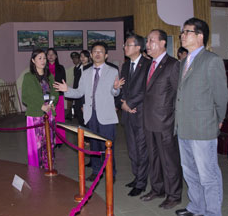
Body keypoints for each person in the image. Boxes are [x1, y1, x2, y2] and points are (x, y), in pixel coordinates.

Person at [174, 17, 228, 216]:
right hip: (184, 126)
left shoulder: (211, 60)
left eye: (187, 32)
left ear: (200, 36)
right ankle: (196, 206)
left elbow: (221, 95)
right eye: (182, 32)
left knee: (208, 174)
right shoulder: (184, 62)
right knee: (189, 171)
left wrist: (219, 120)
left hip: (203, 127)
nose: (182, 35)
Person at [54, 42, 124, 181]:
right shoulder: (85, 73)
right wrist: (67, 90)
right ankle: (96, 170)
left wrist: (116, 88)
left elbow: (115, 92)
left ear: (106, 55)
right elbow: (80, 92)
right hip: (90, 115)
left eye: (101, 52)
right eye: (95, 52)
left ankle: (111, 172)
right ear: (91, 55)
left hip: (106, 115)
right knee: (94, 145)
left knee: (108, 145)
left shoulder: (113, 71)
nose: (97, 54)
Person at [141, 29, 182, 209]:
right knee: (154, 158)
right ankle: (157, 189)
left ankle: (174, 195)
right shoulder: (150, 64)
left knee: (169, 160)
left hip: (165, 121)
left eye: (151, 41)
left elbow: (178, 95)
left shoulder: (173, 65)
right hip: (149, 120)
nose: (147, 45)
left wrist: (174, 120)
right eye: (147, 41)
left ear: (163, 43)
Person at [120, 33, 151, 197]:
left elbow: (146, 90)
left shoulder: (148, 65)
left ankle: (141, 183)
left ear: (138, 47)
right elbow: (122, 88)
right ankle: (136, 176)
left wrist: (130, 104)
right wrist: (123, 103)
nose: (125, 47)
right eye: (125, 45)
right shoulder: (125, 66)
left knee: (141, 149)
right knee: (132, 149)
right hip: (128, 113)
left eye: (128, 45)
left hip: (141, 113)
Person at [22, 49, 59, 169]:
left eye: (44, 58)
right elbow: (25, 97)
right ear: (33, 60)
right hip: (35, 114)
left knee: (49, 142)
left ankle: (49, 166)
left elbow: (55, 92)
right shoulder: (28, 77)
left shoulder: (49, 76)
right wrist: (40, 105)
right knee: (38, 144)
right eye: (39, 58)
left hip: (49, 113)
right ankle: (37, 169)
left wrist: (52, 103)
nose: (43, 61)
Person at [46, 48, 66, 147]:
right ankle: (49, 139)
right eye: (48, 54)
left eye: (52, 54)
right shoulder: (43, 67)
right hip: (46, 97)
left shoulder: (60, 68)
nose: (50, 56)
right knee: (48, 118)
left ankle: (59, 140)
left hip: (59, 95)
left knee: (59, 118)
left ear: (56, 56)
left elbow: (63, 82)